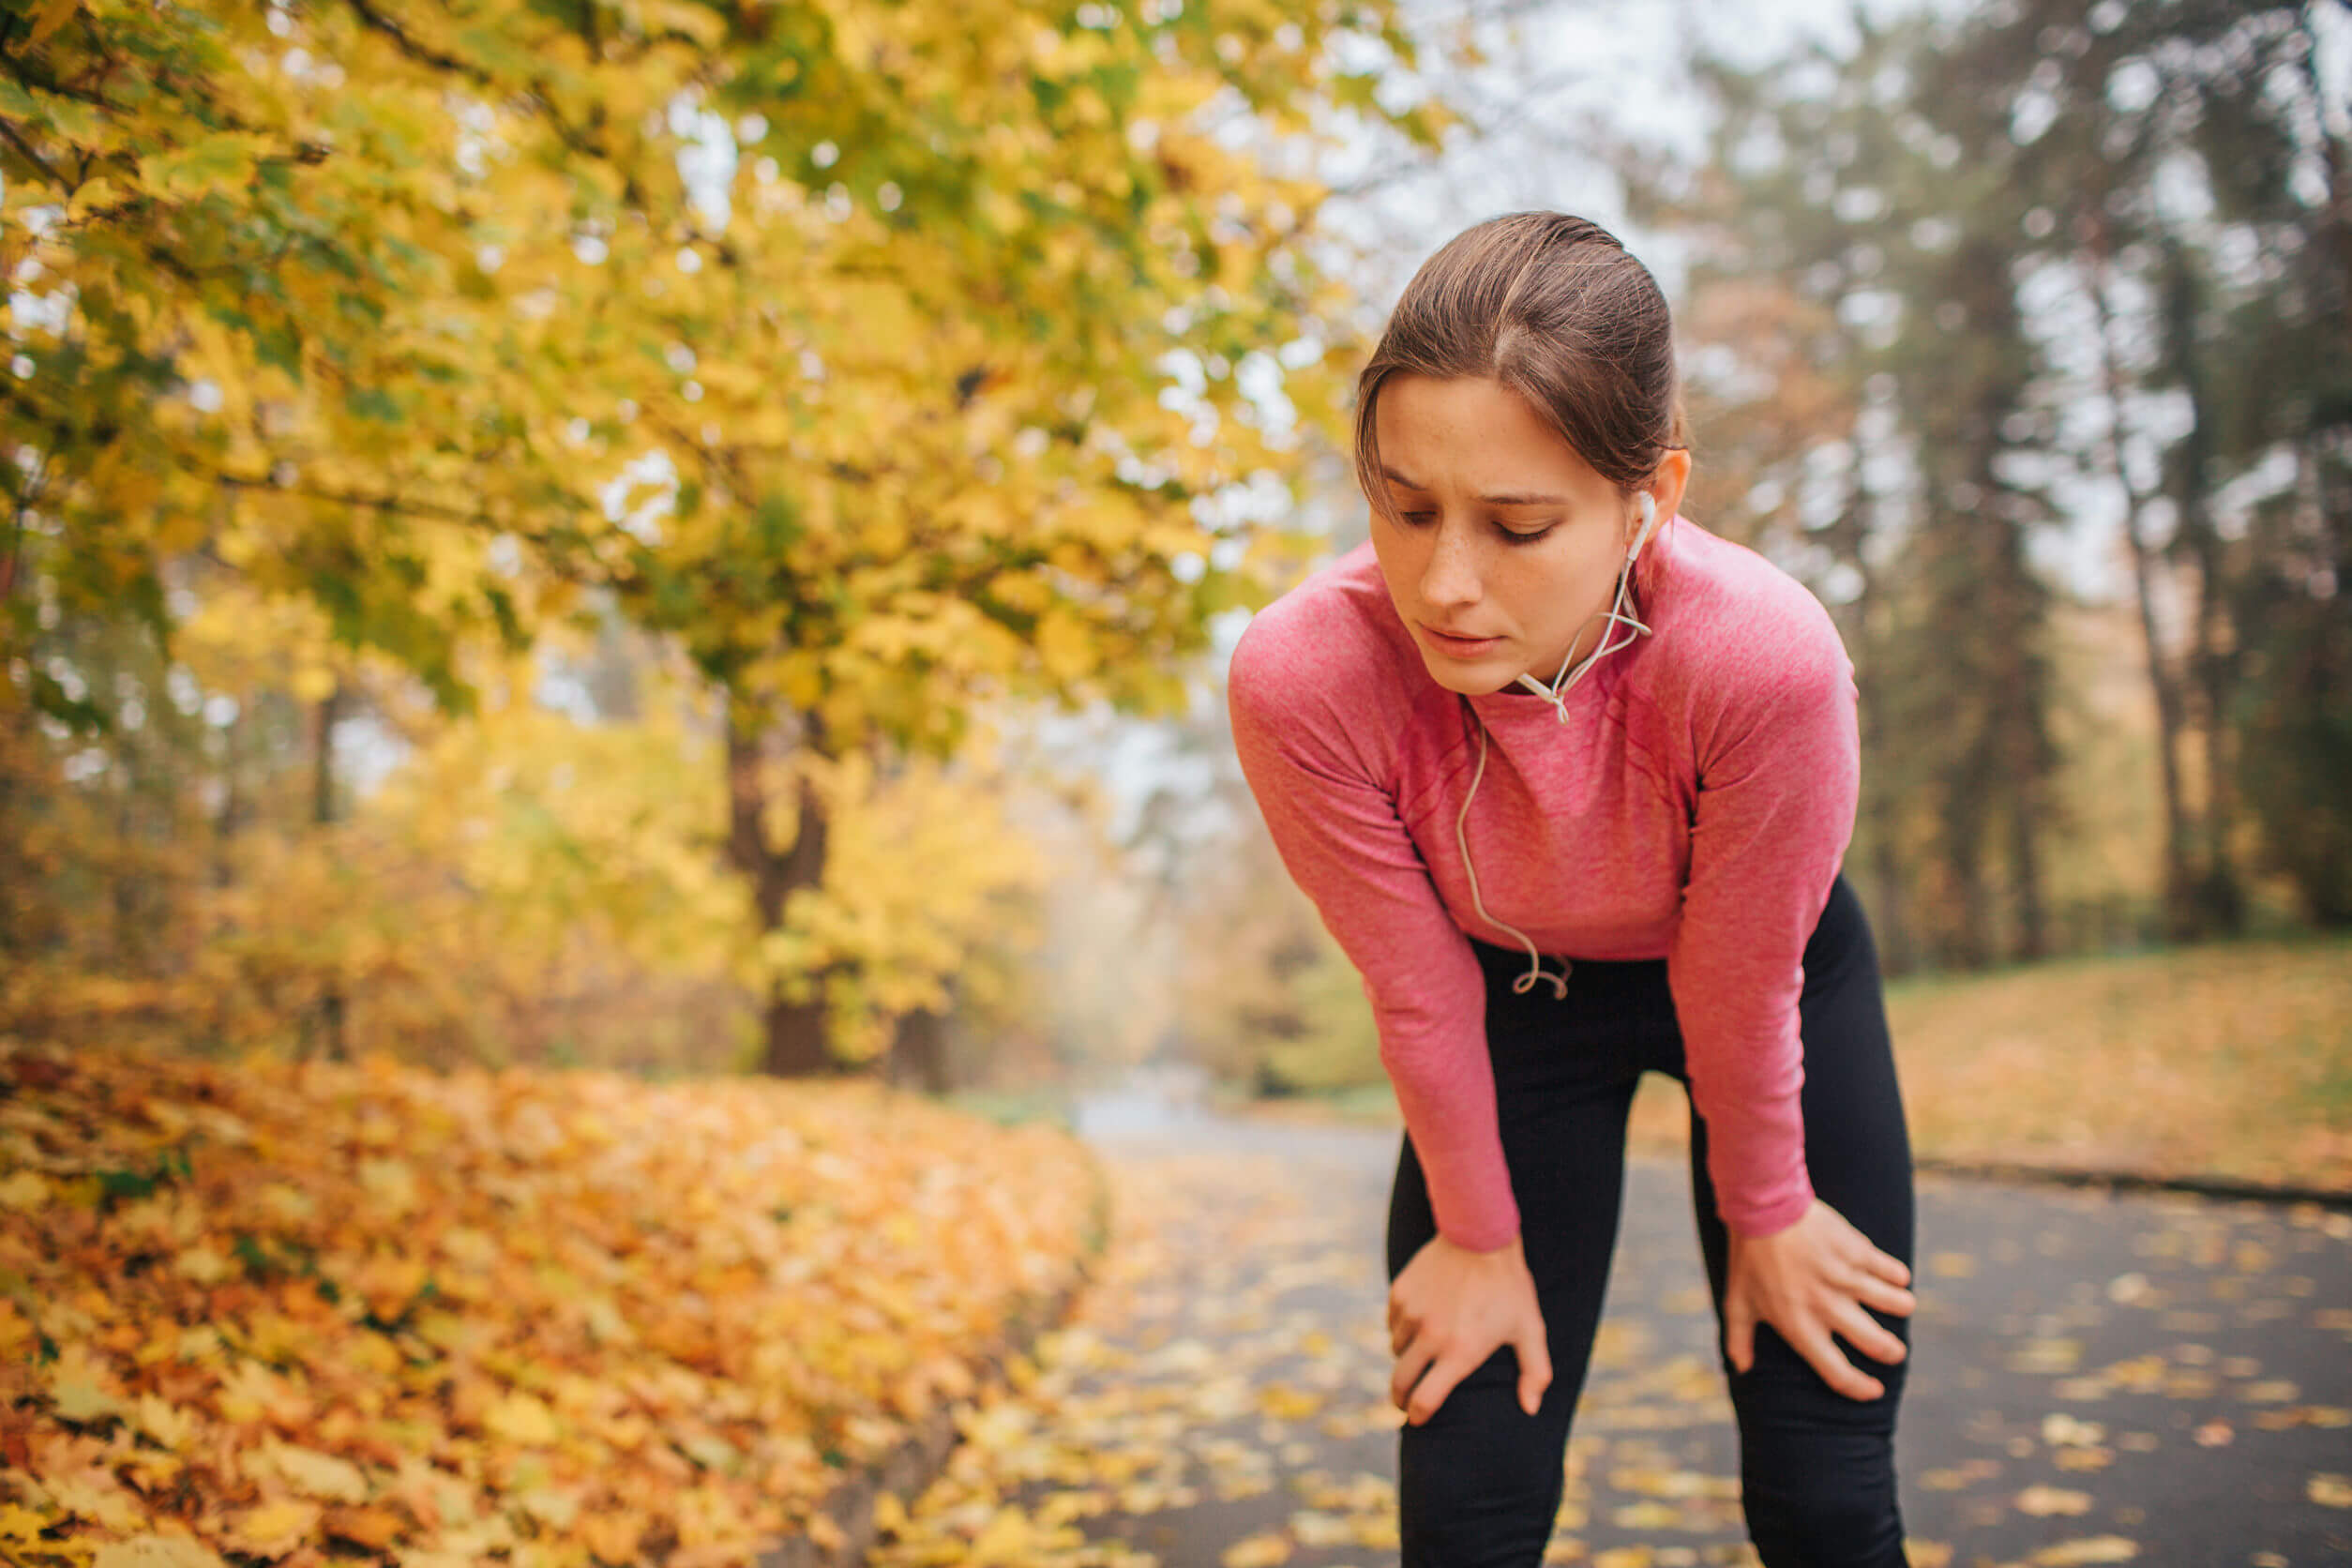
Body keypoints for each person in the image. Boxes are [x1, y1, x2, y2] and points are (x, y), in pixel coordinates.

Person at [1226, 211, 1919, 1567]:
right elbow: (1417, 984)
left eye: (1519, 524)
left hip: (1767, 984)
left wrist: (1766, 1207)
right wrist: (1478, 1236)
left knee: (1824, 1484)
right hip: (1507, 1007)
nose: (1444, 581)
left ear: (1648, 495)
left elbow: (1736, 975)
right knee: (1469, 1495)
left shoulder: (1765, 664)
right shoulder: (1302, 678)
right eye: (1405, 507)